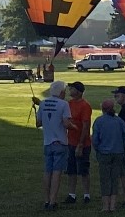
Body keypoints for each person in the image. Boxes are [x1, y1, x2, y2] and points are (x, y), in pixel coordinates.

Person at [35, 81, 70, 210]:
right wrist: (74, 126)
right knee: (57, 173)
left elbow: (38, 123)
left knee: (47, 172)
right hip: (60, 141)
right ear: (61, 92)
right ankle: (53, 201)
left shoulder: (43, 103)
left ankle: (46, 199)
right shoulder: (64, 104)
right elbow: (66, 124)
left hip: (47, 142)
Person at [91, 98, 125, 213]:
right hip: (118, 152)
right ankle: (112, 206)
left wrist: (98, 148)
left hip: (104, 153)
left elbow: (95, 139)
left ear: (102, 109)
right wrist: (120, 144)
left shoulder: (99, 121)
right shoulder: (119, 121)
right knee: (115, 179)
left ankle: (105, 206)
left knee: (105, 179)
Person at [64, 81, 92, 203]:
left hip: (83, 143)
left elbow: (86, 126)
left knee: (83, 169)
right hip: (70, 141)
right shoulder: (68, 104)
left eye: (72, 88)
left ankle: (86, 194)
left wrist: (80, 144)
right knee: (71, 170)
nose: (70, 90)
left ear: (79, 91)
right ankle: (72, 194)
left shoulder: (85, 106)